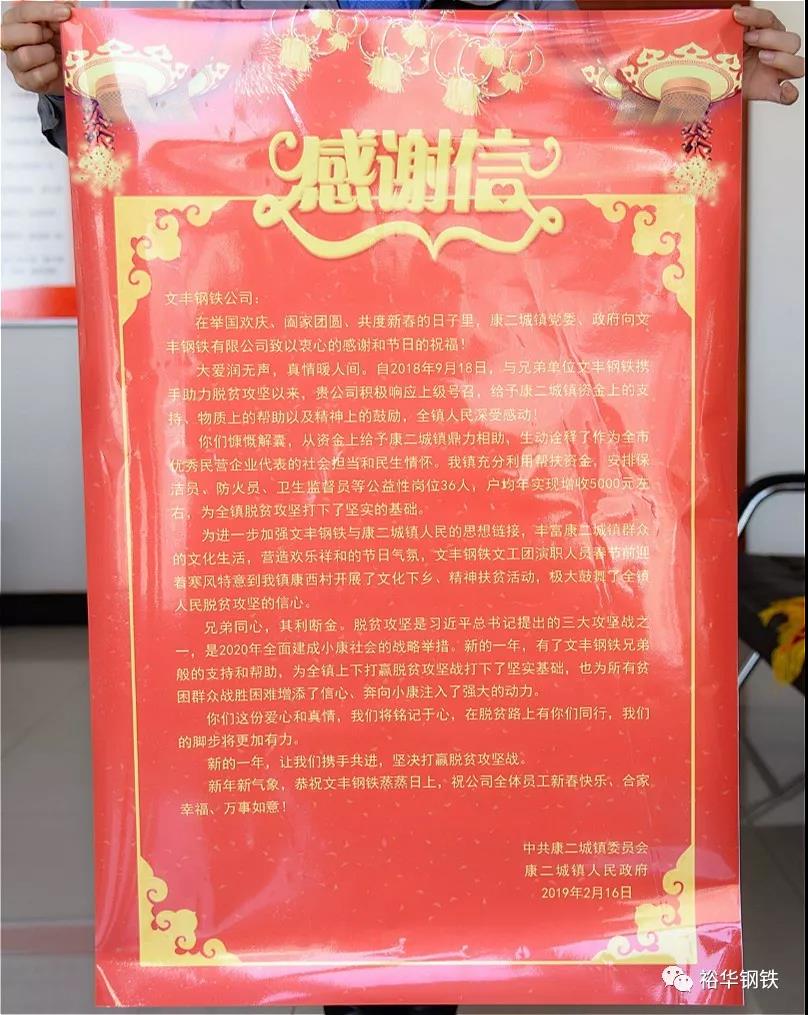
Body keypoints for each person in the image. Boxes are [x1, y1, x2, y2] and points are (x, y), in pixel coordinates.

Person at [1, 3, 804, 1015]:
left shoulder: (551, 17)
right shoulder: (237, 11)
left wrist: (710, 84)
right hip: (293, 461)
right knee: (323, 779)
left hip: (493, 458)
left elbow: (617, 114)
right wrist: (69, 77)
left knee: (474, 766)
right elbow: (174, 130)